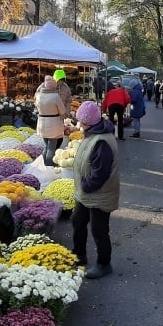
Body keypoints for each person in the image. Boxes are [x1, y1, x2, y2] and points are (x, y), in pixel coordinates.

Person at [70, 100, 120, 279]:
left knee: (99, 230)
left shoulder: (101, 141)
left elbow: (101, 173)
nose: (78, 124)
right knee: (77, 221)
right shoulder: (93, 133)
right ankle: (79, 255)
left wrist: (86, 185)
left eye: (80, 121)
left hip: (99, 193)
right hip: (87, 193)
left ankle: (104, 264)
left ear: (88, 122)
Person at [35, 75, 67, 166]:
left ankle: (43, 164)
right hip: (54, 124)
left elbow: (37, 107)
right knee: (51, 148)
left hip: (42, 122)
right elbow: (62, 111)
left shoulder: (38, 96)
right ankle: (49, 166)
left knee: (46, 146)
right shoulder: (55, 96)